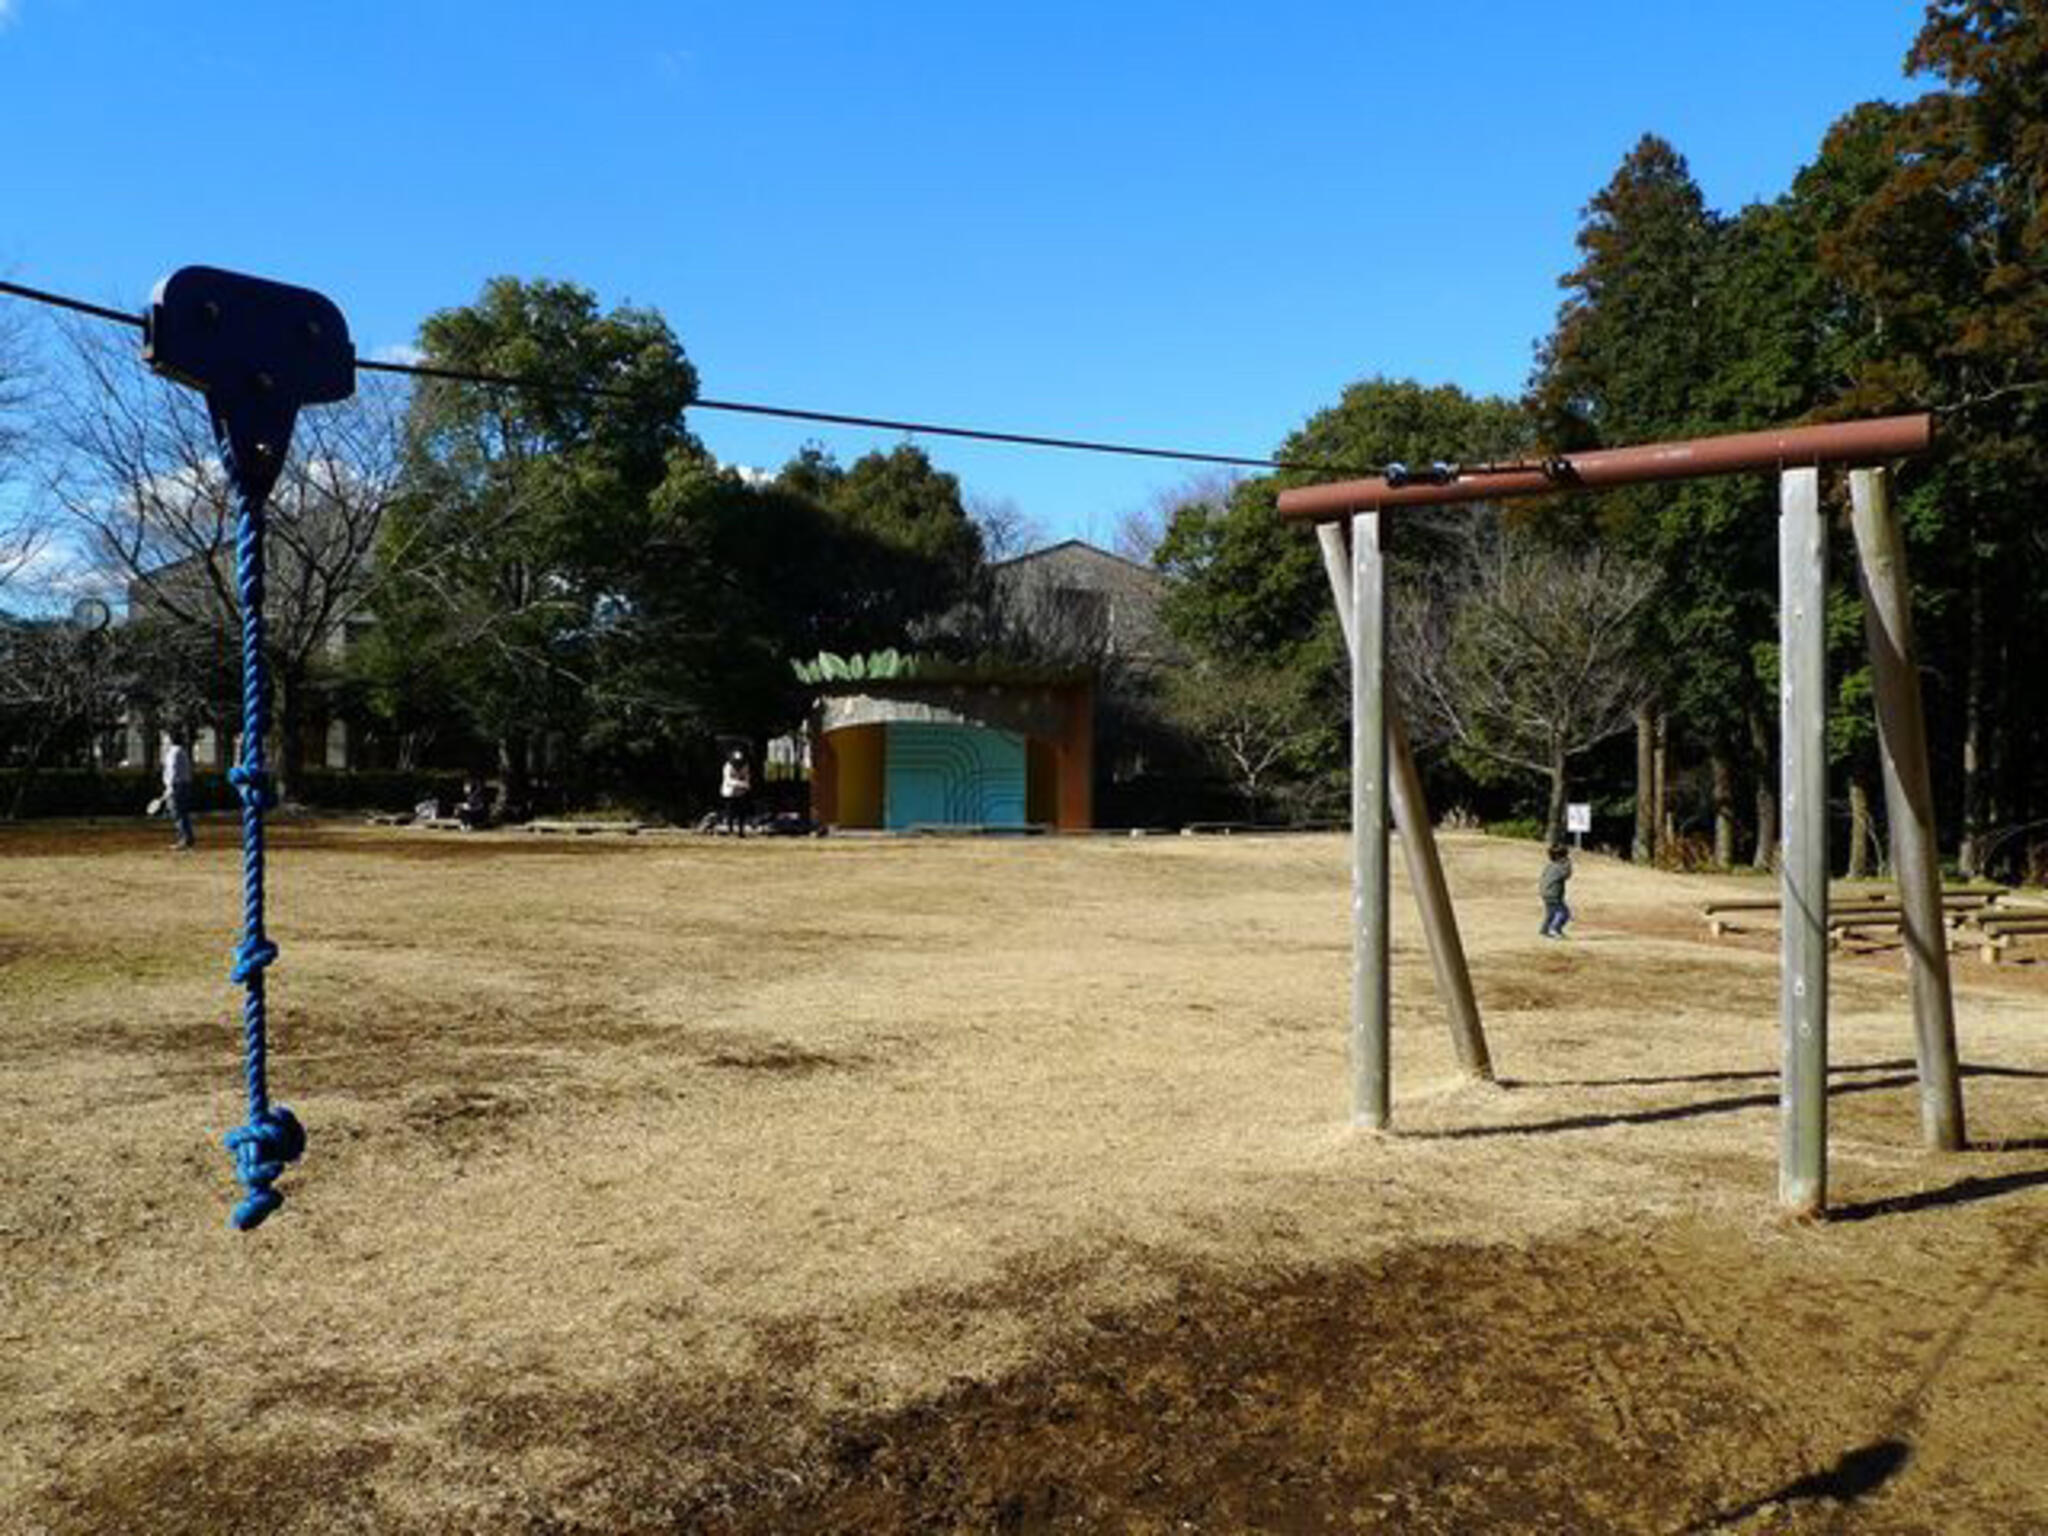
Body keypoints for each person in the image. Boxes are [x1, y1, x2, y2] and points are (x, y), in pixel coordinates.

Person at [162, 737, 195, 851]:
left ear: (170, 740)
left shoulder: (173, 752)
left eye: (165, 740)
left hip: (177, 785)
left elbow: (172, 770)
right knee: (183, 813)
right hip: (183, 785)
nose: (163, 743)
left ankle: (183, 841)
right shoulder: (181, 751)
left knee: (177, 813)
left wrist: (170, 787)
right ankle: (188, 839)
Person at [1540, 842, 1573, 938]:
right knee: (1564, 913)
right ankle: (1554, 929)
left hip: (1545, 893)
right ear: (1560, 857)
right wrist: (1568, 864)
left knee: (1550, 913)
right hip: (1554, 894)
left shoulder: (1550, 865)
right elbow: (1567, 875)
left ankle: (1544, 930)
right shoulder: (1560, 867)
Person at [719, 747, 752, 836]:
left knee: (742, 812)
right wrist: (742, 784)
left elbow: (747, 776)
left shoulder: (745, 766)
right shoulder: (727, 766)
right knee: (730, 811)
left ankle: (741, 830)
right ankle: (730, 829)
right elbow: (728, 780)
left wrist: (746, 784)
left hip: (741, 792)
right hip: (729, 792)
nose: (738, 764)